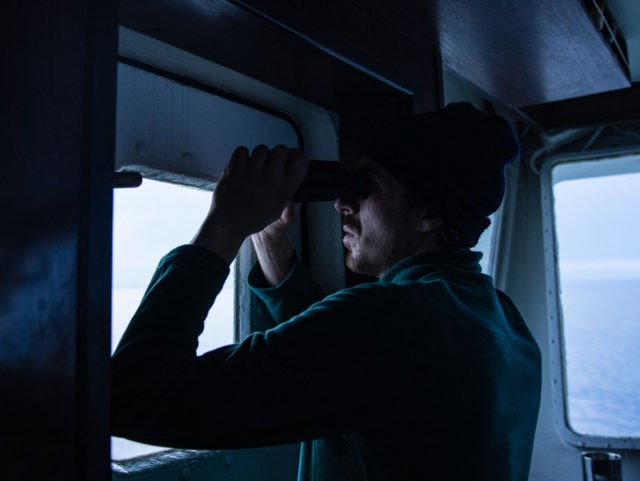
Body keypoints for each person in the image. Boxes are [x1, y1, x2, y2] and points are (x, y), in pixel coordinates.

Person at [111, 102, 541, 481]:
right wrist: (268, 236)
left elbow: (134, 395)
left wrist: (225, 225)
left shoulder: (387, 323)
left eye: (364, 188)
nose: (341, 204)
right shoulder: (499, 318)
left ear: (429, 212)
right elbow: (352, 364)